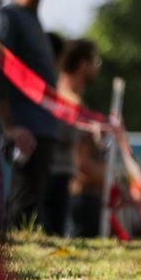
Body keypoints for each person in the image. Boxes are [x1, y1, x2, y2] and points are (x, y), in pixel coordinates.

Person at [0, 0, 64, 235]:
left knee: (31, 212)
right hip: (23, 134)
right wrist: (9, 127)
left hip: (42, 130)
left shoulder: (34, 23)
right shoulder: (7, 19)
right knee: (17, 210)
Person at [56, 39, 105, 238]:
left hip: (83, 196)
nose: (97, 68)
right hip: (79, 197)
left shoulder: (69, 100)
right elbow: (80, 161)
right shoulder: (69, 103)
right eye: (95, 61)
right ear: (84, 64)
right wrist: (111, 179)